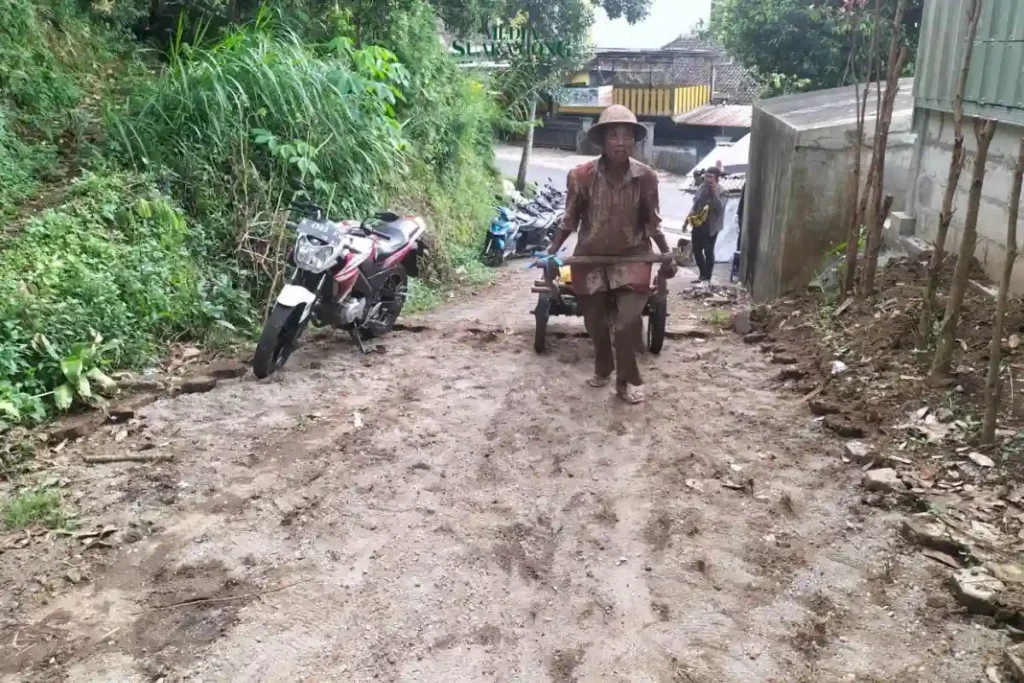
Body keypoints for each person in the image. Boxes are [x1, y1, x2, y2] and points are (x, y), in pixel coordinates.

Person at [543, 104, 676, 405]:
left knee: (628, 322)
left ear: (634, 141)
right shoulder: (581, 176)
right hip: (590, 258)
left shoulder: (646, 178)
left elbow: (653, 221)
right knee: (595, 322)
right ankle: (603, 367)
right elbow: (570, 219)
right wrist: (551, 251)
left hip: (633, 257)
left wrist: (666, 253)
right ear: (602, 140)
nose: (620, 142)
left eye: (626, 135)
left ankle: (626, 381)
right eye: (613, 135)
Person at [684, 167, 724, 285]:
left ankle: (707, 278)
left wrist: (714, 194)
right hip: (698, 224)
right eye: (706, 176)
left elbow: (720, 209)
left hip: (711, 227)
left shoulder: (722, 191)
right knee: (696, 250)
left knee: (708, 251)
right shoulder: (701, 188)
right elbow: (695, 205)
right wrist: (686, 221)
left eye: (710, 177)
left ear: (716, 179)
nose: (707, 179)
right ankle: (702, 275)